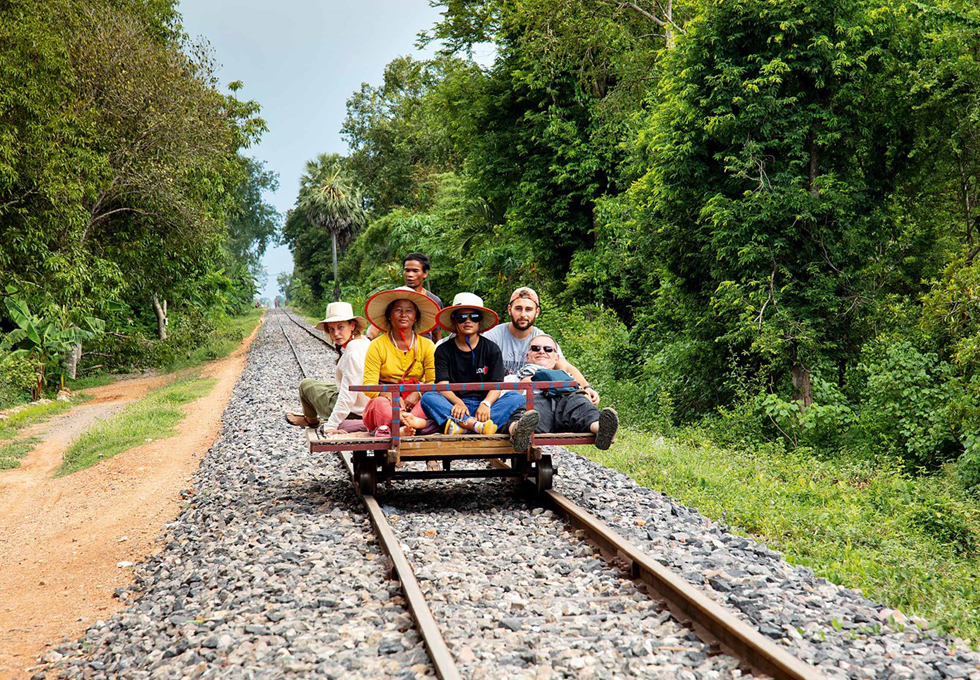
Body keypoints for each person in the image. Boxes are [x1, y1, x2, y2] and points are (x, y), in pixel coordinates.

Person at [419, 293, 535, 437]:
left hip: (485, 407)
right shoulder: (443, 350)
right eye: (461, 318)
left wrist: (486, 404)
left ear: (479, 321)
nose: (468, 321)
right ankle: (476, 426)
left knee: (516, 397)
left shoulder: (491, 349)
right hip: (454, 405)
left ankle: (463, 426)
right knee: (428, 398)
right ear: (454, 321)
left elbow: (496, 385)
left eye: (473, 317)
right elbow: (442, 385)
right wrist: (458, 402)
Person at [482, 287, 599, 405]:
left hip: (536, 399)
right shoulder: (492, 337)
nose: (523, 314)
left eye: (528, 309)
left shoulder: (542, 339)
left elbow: (565, 367)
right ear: (509, 310)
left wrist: (587, 387)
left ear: (536, 312)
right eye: (518, 308)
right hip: (500, 398)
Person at [504, 334, 618, 450]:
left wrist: (586, 395)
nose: (542, 352)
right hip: (538, 406)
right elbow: (505, 400)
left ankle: (601, 429)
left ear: (556, 358)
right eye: (536, 348)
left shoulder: (568, 378)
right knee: (527, 413)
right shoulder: (514, 378)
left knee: (582, 406)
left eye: (548, 349)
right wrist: (525, 384)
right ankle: (517, 431)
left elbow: (582, 395)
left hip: (565, 405)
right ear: (528, 356)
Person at [361, 287, 439, 437]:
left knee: (431, 401)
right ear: (389, 315)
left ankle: (397, 426)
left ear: (416, 316)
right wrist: (391, 396)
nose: (403, 315)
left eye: (409, 311)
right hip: (386, 401)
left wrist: (417, 394)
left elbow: (433, 380)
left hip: (416, 401)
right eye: (398, 310)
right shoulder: (377, 345)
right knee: (378, 404)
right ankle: (405, 426)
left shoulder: (427, 345)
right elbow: (368, 386)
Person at [285, 302, 370, 432]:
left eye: (340, 327)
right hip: (364, 402)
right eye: (331, 329)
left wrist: (332, 425)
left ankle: (311, 420)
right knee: (326, 386)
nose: (336, 334)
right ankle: (311, 417)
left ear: (352, 325)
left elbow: (349, 394)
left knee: (306, 385)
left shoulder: (353, 351)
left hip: (356, 411)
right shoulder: (363, 341)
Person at [367, 253, 443, 342]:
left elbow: (436, 333)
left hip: (422, 350)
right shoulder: (394, 296)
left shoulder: (434, 301)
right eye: (407, 270)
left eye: (415, 271)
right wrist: (367, 339)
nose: (410, 274)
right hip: (396, 346)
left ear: (425, 273)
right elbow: (376, 325)